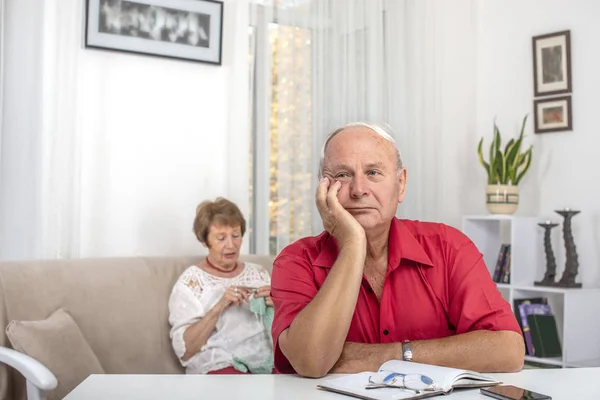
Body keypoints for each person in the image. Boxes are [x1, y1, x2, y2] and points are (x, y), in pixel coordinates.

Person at [270, 122, 525, 378]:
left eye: (373, 173)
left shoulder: (449, 247)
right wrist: (353, 244)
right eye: (342, 175)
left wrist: (383, 356)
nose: (358, 190)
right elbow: (311, 362)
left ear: (401, 184)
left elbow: (508, 349)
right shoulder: (296, 261)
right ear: (324, 189)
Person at [168, 197, 274, 374]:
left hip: (265, 361)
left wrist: (279, 303)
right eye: (221, 238)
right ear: (204, 241)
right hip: (220, 363)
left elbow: (281, 325)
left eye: (235, 235)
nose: (231, 245)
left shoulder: (259, 273)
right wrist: (220, 305)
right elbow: (186, 350)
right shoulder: (192, 281)